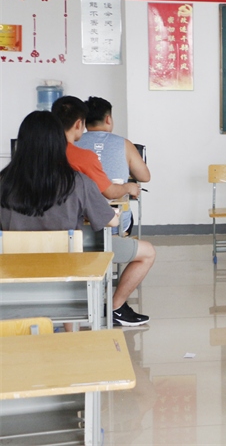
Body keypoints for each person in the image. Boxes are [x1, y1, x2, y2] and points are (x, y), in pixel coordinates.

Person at [0, 111, 153, 326]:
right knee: (147, 252)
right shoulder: (77, 181)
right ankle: (114, 307)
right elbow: (112, 222)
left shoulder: (3, 182)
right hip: (70, 278)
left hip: (13, 280)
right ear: (59, 142)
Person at [52, 96, 156, 326]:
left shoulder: (41, 158)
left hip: (46, 240)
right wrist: (127, 185)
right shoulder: (94, 153)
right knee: (129, 236)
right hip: (90, 233)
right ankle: (115, 305)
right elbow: (129, 184)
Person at [74, 96, 151, 235]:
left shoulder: (72, 144)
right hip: (116, 223)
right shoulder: (124, 144)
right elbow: (144, 177)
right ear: (108, 119)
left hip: (77, 225)